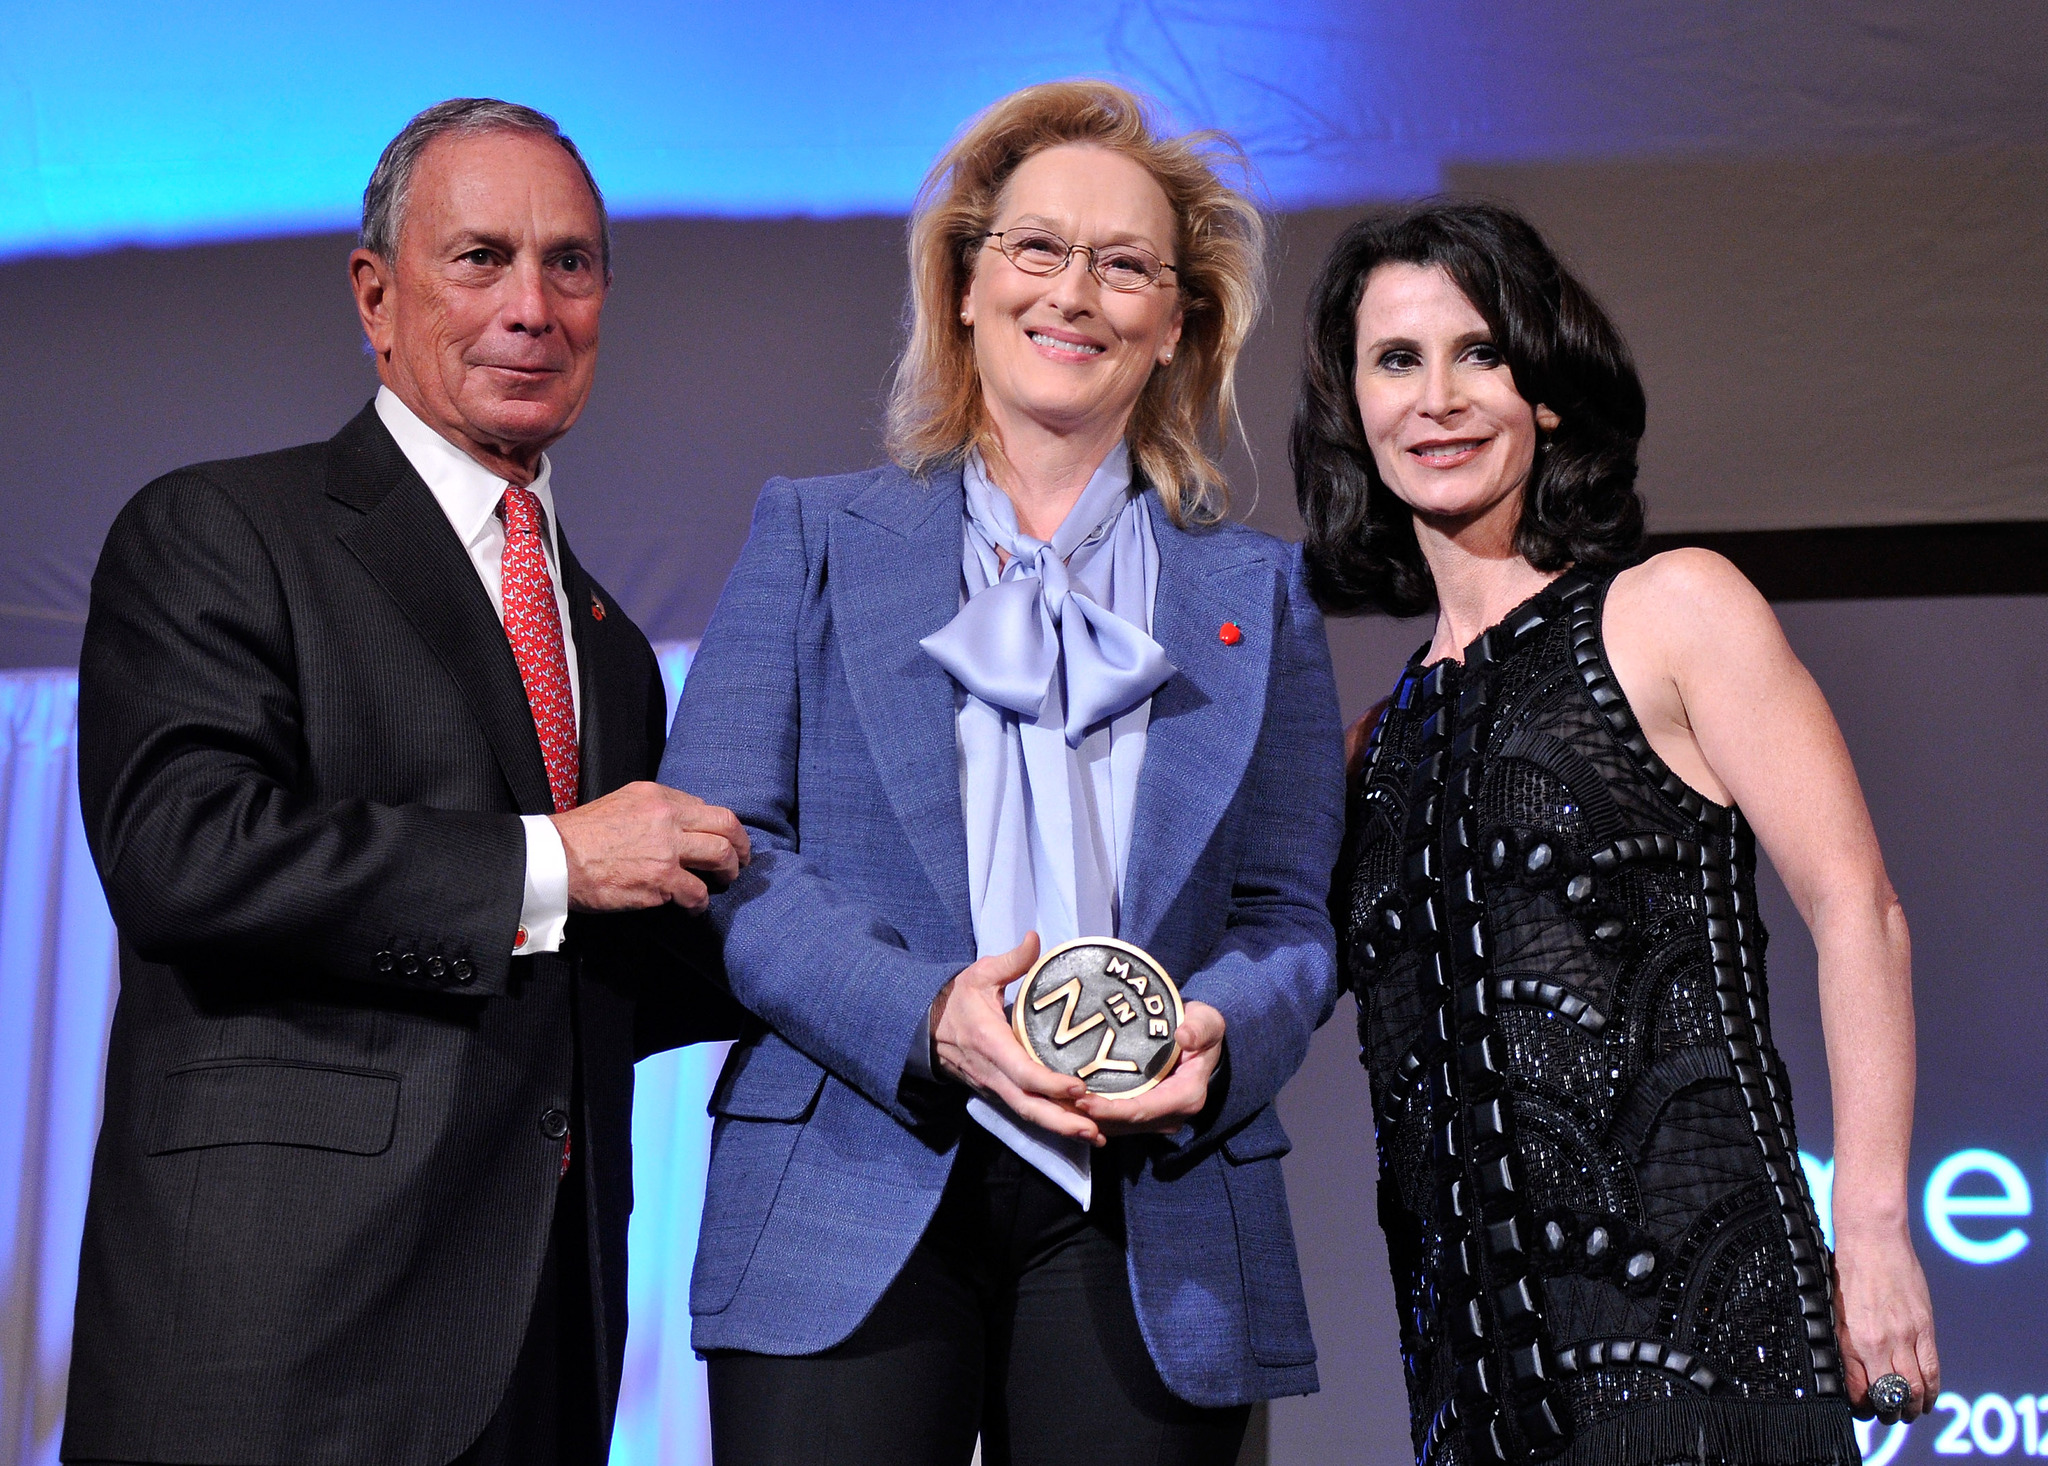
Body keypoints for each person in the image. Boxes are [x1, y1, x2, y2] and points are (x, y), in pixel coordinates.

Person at [662, 81, 1344, 1466]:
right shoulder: (811, 535)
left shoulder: (1256, 593)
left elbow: (1289, 917)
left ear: (1175, 325)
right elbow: (726, 848)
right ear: (964, 283)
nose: (1075, 292)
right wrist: (929, 1016)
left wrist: (1211, 1039)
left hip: (1151, 1198)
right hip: (850, 1159)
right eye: (1035, 248)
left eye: (1128, 265)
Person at [64, 99, 747, 1466]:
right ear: (376, 296)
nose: (532, 306)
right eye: (480, 257)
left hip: (540, 1344)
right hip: (275, 1347)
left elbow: (603, 973)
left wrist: (893, 959)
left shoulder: (607, 646)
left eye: (572, 264)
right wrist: (551, 858)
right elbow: (186, 851)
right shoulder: (221, 529)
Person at [1294, 199, 1939, 1465]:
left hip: (1707, 1365)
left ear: (1546, 389)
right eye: (1395, 360)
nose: (1438, 397)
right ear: (1351, 413)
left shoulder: (1671, 610)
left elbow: (1855, 906)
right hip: (1472, 1402)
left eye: (1479, 352)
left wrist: (1868, 1226)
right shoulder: (1380, 743)